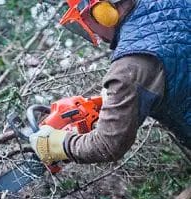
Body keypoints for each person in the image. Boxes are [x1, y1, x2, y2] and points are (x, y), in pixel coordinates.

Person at [29, 0, 191, 165]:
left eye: (83, 19)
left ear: (101, 11)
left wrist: (61, 144)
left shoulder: (130, 65)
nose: (89, 28)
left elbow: (107, 145)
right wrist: (115, 101)